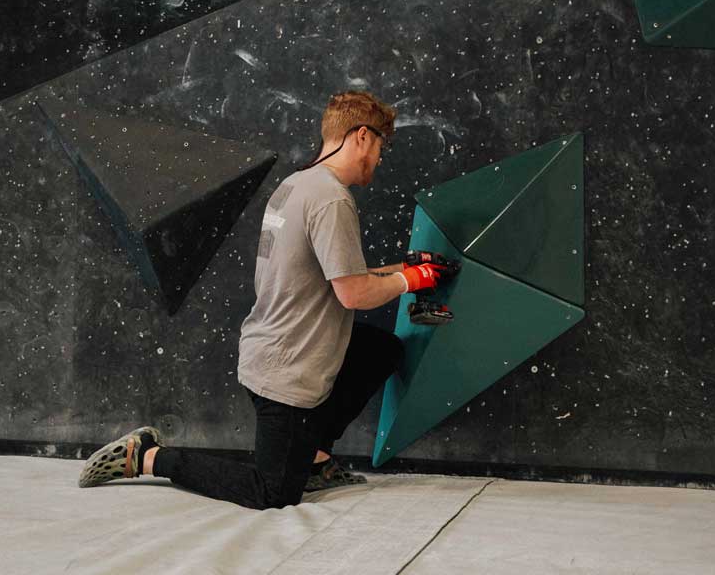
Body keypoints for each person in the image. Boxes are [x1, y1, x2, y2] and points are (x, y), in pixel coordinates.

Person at [78, 90, 451, 508]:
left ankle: (315, 460)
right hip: (287, 372)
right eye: (381, 146)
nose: (380, 159)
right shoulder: (332, 200)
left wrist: (407, 270)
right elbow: (353, 294)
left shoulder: (297, 185)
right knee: (271, 493)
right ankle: (147, 456)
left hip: (281, 346)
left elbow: (340, 276)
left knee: (379, 349)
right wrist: (411, 279)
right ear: (362, 136)